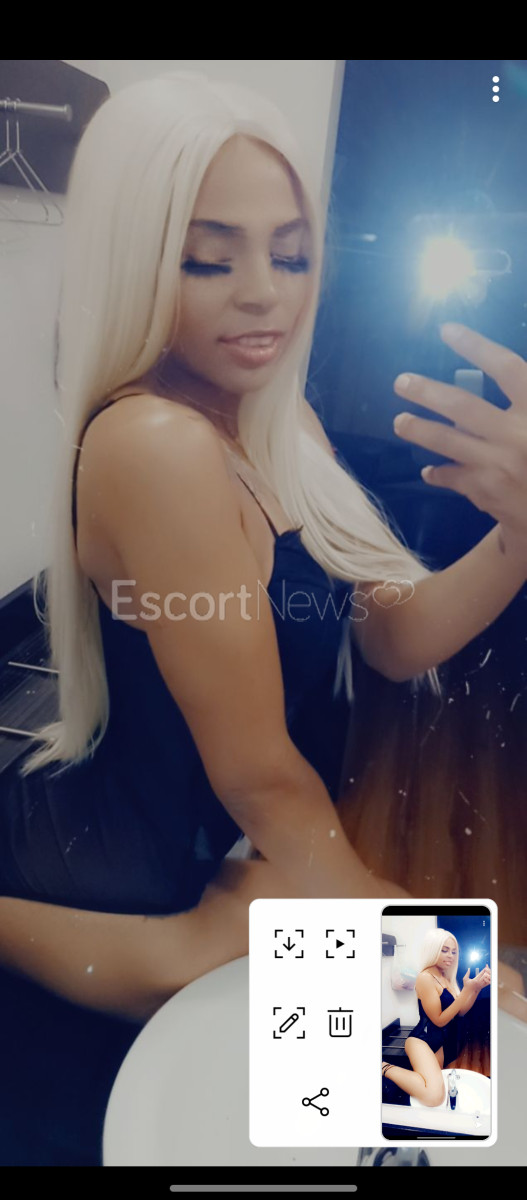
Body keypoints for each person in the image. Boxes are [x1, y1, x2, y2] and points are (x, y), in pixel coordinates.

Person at [1, 71, 526, 1164]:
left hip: (239, 840)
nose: (264, 296)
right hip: (133, 872)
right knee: (435, 1073)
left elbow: (390, 634)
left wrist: (519, 533)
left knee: (446, 1098)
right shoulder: (156, 444)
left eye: (289, 256)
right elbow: (260, 777)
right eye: (210, 258)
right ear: (136, 256)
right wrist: (414, 944)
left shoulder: (274, 421)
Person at [382, 930, 491, 1105]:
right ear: (433, 950)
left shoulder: (445, 977)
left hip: (439, 1042)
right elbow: (439, 1020)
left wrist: (476, 988)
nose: (450, 956)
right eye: (444, 950)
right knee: (434, 1097)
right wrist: (467, 990)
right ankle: (382, 1067)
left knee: (434, 1088)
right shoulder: (425, 977)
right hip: (421, 1040)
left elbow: (460, 1012)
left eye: (454, 952)